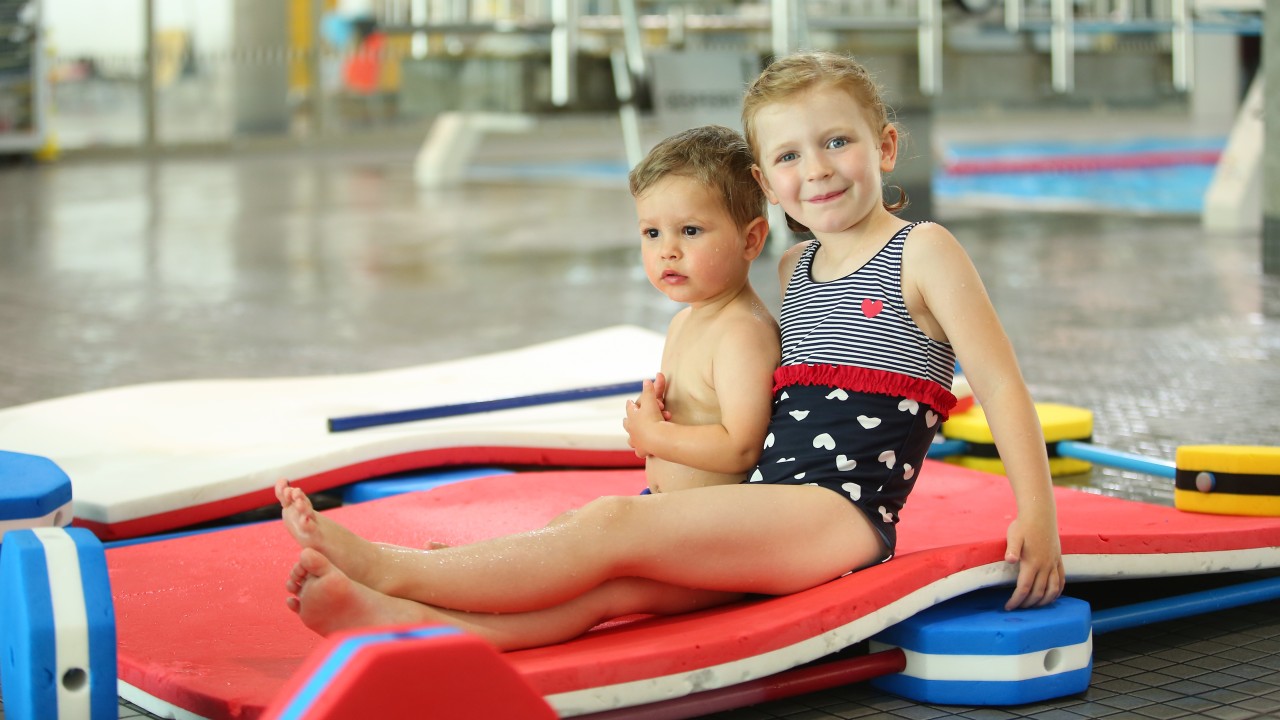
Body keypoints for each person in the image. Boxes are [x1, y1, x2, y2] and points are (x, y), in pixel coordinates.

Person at [276, 124, 785, 649]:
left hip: (712, 555)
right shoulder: (691, 320)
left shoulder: (742, 332)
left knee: (594, 580)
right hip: (672, 528)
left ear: (751, 239)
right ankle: (421, 604)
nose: (667, 252)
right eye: (652, 234)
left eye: (691, 232)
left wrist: (655, 437)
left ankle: (397, 574)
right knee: (571, 538)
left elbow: (741, 445)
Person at [739, 50, 1062, 593]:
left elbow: (1000, 385)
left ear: (884, 147)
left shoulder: (921, 250)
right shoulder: (793, 267)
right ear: (766, 183)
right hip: (767, 503)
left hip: (837, 517)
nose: (816, 168)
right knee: (617, 576)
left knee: (614, 527)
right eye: (788, 156)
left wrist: (1039, 516)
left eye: (837, 142)